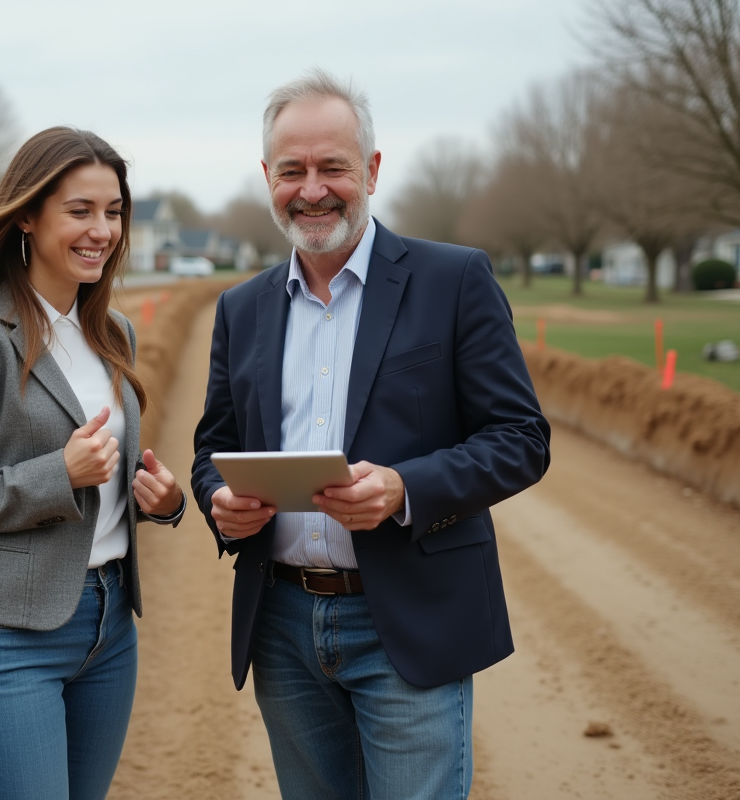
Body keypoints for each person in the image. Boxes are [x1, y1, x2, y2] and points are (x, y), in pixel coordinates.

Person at [191, 70, 551, 799]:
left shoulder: (455, 280)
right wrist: (217, 500)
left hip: (407, 618)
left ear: (373, 171)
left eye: (334, 168)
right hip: (283, 625)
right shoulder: (242, 309)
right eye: (293, 170)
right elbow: (212, 447)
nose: (313, 188)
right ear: (269, 177)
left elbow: (521, 437)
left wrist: (404, 487)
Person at [0, 126, 186, 800]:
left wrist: (163, 501)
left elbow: (107, 481)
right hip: (6, 642)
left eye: (114, 212)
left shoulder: (112, 331)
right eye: (80, 210)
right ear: (28, 216)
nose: (102, 230)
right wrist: (55, 475)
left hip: (109, 626)